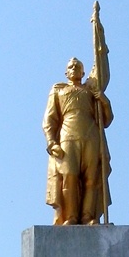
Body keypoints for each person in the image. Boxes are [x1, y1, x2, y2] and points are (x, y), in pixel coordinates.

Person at [43, 56, 113, 225]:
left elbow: (107, 120)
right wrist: (52, 142)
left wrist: (103, 100)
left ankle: (88, 216)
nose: (74, 67)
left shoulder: (91, 91)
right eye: (71, 66)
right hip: (67, 136)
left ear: (83, 72)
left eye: (78, 66)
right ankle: (71, 216)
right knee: (69, 175)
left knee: (91, 178)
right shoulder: (58, 90)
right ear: (66, 72)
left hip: (90, 136)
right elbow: (49, 119)